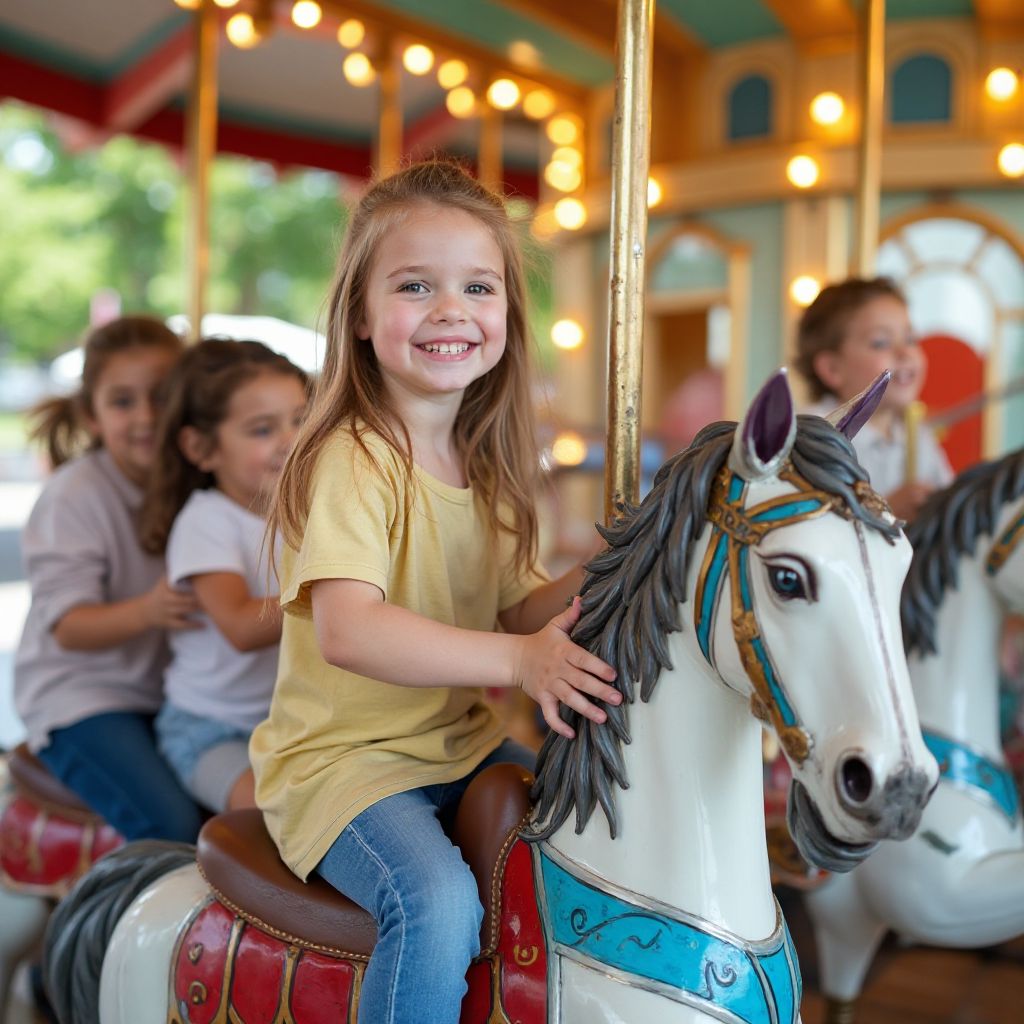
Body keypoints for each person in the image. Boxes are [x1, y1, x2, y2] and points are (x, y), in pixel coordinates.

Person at [250, 160, 621, 1024]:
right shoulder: (354, 455)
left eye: (477, 287)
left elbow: (523, 609)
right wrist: (521, 658)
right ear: (362, 317)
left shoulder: (487, 467)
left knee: (598, 833)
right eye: (416, 285)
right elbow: (352, 629)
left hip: (459, 745)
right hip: (348, 766)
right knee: (438, 905)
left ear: (505, 315)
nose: (452, 310)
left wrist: (620, 558)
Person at [14, 315, 203, 842]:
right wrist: (149, 610)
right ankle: (117, 919)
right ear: (92, 416)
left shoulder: (202, 484)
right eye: (122, 402)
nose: (145, 416)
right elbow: (70, 625)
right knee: (175, 823)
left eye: (162, 396)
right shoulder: (75, 496)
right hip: (82, 698)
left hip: (170, 692)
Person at [140, 339, 307, 813]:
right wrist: (330, 591)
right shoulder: (206, 522)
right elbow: (238, 624)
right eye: (261, 429)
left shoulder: (309, 512)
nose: (290, 440)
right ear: (201, 447)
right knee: (269, 814)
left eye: (299, 418)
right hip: (211, 729)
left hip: (292, 723)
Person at [794, 276, 953, 521]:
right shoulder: (814, 436)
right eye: (881, 343)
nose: (905, 353)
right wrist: (883, 511)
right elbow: (803, 523)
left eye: (910, 339)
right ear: (833, 369)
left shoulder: (918, 435)